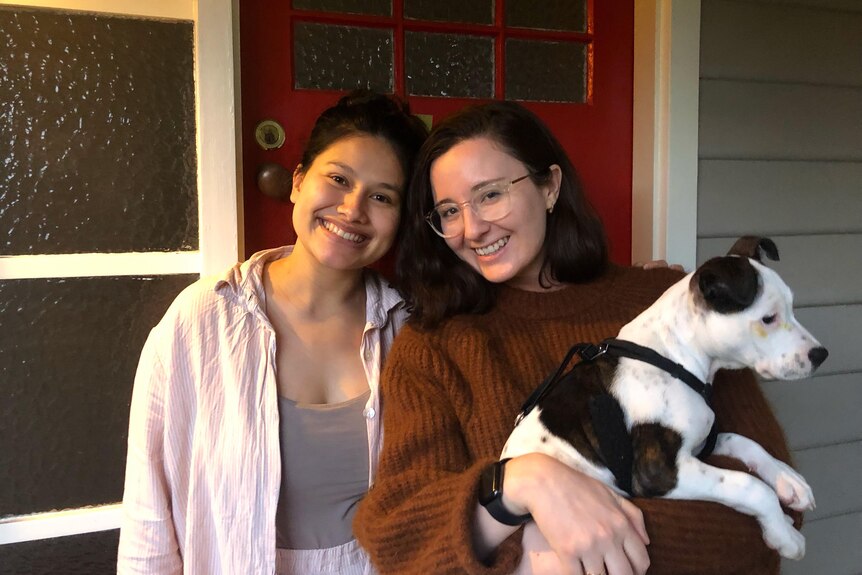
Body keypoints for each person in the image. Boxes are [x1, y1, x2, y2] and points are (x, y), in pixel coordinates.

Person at [353, 101, 799, 575]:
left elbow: (772, 508)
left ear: (550, 186)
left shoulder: (665, 303)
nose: (472, 227)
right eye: (448, 210)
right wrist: (522, 483)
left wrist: (543, 547)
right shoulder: (435, 347)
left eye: (490, 195)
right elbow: (401, 534)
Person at [117, 91, 428, 575]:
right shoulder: (201, 322)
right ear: (298, 182)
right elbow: (148, 515)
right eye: (338, 179)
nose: (352, 209)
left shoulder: (411, 329)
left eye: (382, 196)